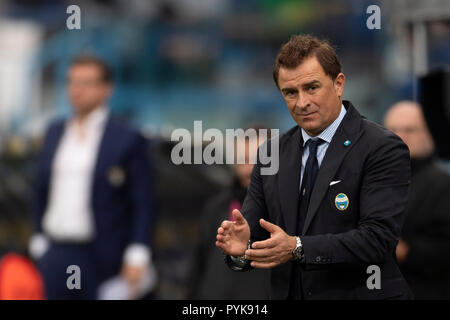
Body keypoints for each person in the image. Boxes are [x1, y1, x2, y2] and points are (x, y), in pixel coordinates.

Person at [216, 34, 412, 300]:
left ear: (339, 84)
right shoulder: (271, 153)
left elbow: (377, 239)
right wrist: (242, 249)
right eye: (290, 92)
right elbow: (260, 238)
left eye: (312, 87)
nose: (302, 102)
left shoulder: (382, 147)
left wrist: (297, 247)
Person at [29, 55, 154, 299]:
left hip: (101, 252)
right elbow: (40, 189)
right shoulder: (55, 132)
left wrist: (138, 252)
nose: (77, 90)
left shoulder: (126, 137)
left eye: (86, 83)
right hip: (55, 252)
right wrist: (39, 239)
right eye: (72, 82)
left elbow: (143, 200)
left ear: (106, 88)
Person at [188, 126, 270, 299]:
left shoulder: (287, 209)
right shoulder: (215, 207)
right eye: (242, 160)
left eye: (255, 160)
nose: (248, 169)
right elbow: (199, 265)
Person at [384, 101, 450, 299]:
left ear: (427, 133)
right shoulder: (373, 178)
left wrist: (405, 251)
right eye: (393, 129)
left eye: (409, 129)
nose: (400, 135)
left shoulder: (442, 185)